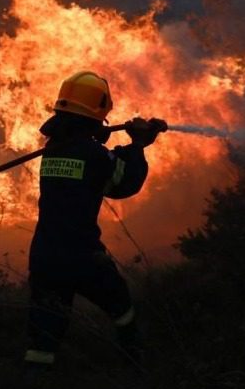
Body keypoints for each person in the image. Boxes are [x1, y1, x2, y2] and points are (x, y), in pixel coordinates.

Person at [24, 71, 164, 369]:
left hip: (45, 254)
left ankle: (34, 382)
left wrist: (120, 143)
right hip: (81, 254)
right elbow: (122, 183)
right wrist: (138, 145)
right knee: (120, 305)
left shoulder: (52, 151)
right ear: (95, 115)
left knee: (45, 329)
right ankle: (134, 363)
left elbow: (89, 158)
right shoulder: (93, 155)